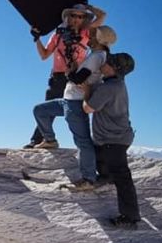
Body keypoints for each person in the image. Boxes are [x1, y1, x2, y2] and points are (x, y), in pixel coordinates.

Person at [32, 26, 117, 190]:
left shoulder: (97, 56)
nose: (89, 37)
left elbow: (78, 78)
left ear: (99, 39)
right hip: (68, 100)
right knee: (40, 110)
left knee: (83, 141)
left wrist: (70, 71)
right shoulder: (96, 55)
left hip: (76, 103)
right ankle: (50, 140)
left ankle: (89, 179)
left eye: (93, 35)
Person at [25, 0, 106, 149]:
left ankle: (89, 144)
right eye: (74, 15)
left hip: (76, 78)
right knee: (46, 110)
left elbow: (102, 16)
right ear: (68, 16)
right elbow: (44, 55)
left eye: (80, 16)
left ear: (84, 19)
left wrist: (87, 6)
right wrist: (37, 39)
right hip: (57, 78)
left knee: (78, 111)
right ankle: (40, 140)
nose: (76, 19)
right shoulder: (58, 35)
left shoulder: (86, 33)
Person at [83, 53, 140, 229]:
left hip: (113, 140)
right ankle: (106, 177)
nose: (104, 63)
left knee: (122, 178)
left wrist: (86, 90)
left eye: (108, 62)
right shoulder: (116, 84)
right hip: (115, 138)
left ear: (115, 68)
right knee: (103, 159)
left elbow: (88, 108)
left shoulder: (109, 88)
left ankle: (130, 218)